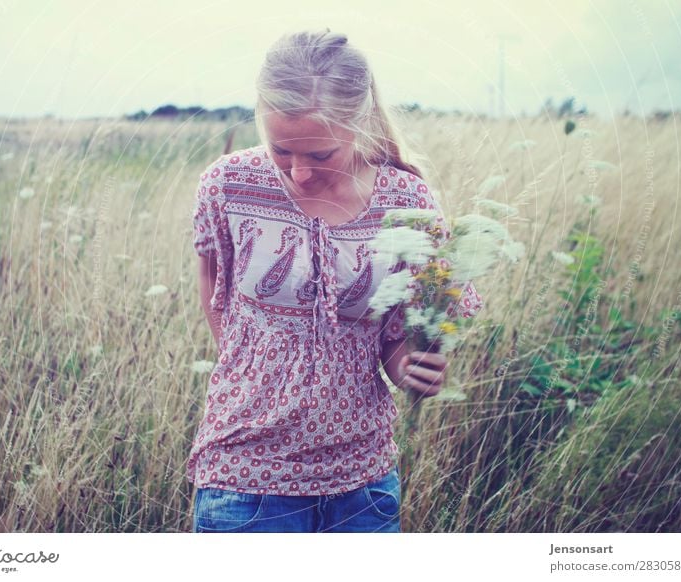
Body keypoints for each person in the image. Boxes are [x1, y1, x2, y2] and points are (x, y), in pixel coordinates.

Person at [188, 28, 483, 533]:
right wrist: (264, 369)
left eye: (320, 154)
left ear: (359, 123)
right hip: (244, 472)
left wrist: (413, 365)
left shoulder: (406, 202)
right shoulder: (227, 186)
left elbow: (396, 335)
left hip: (360, 481)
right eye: (282, 150)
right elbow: (217, 299)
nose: (299, 172)